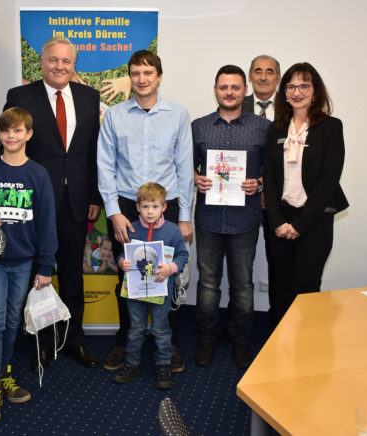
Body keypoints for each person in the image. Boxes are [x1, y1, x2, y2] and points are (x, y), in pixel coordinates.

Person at [4, 36, 102, 372]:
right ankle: (41, 343)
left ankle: (74, 340)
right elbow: (14, 147)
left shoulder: (90, 97)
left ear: (74, 64)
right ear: (42, 62)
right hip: (34, 205)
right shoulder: (20, 97)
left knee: (73, 276)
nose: (60, 66)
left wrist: (94, 196)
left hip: (76, 203)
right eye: (53, 60)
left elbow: (92, 151)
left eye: (66, 61)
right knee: (38, 277)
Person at [97, 50, 193, 373]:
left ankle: (170, 343)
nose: (141, 79)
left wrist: (185, 217)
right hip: (126, 206)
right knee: (128, 272)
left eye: (148, 73)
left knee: (168, 273)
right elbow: (105, 167)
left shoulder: (178, 114)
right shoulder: (113, 116)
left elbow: (184, 167)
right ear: (130, 77)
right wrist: (113, 212)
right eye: (135, 73)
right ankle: (125, 340)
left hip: (169, 205)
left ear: (159, 76)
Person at [0, 107, 57, 424]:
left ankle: (5, 372)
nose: (11, 135)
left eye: (18, 130)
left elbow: (47, 224)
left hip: (24, 262)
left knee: (11, 322)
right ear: (0, 134)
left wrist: (46, 266)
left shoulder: (37, 174)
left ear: (28, 135)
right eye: (6, 130)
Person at [192, 65, 270, 369]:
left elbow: (272, 173)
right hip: (208, 217)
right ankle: (206, 340)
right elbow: (187, 164)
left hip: (245, 219)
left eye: (235, 87)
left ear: (245, 90)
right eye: (223, 87)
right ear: (215, 90)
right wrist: (195, 177)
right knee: (208, 284)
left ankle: (241, 342)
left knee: (243, 285)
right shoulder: (198, 127)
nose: (229, 92)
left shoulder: (263, 128)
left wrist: (260, 183)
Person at [263, 62, 348, 330]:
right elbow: (271, 179)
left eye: (304, 85)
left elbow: (328, 181)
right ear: (284, 91)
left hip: (314, 221)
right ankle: (276, 348)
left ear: (315, 91)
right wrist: (277, 221)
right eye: (291, 86)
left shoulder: (331, 127)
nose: (297, 91)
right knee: (280, 286)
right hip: (279, 218)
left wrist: (300, 225)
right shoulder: (276, 129)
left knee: (306, 288)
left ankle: (307, 352)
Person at [111, 182, 189, 390]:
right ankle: (131, 364)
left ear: (164, 207)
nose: (150, 211)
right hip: (135, 292)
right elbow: (122, 254)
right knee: (135, 328)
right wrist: (122, 262)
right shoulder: (132, 228)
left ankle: (163, 365)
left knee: (161, 329)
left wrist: (170, 267)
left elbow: (183, 255)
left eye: (155, 206)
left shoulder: (172, 231)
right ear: (137, 207)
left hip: (160, 290)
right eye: (145, 207)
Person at [243, 55, 281, 309]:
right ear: (250, 76)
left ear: (278, 78)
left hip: (278, 199)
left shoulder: (293, 106)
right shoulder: (236, 102)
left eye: (270, 72)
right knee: (240, 266)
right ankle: (239, 324)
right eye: (258, 71)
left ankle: (278, 322)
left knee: (279, 263)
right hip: (241, 197)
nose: (263, 76)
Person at [243, 55, 281, 120]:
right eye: (258, 72)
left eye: (269, 73)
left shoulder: (290, 106)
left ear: (278, 78)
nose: (263, 78)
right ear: (249, 77)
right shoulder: (239, 105)